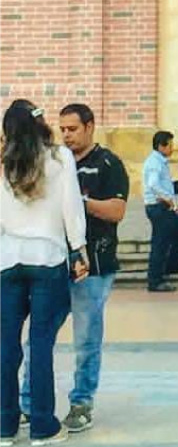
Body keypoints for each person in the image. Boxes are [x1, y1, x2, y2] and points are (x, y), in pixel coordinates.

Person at [22, 103, 128, 434]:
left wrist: (76, 202)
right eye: (63, 129)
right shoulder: (51, 162)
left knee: (86, 339)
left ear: (90, 127)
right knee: (38, 337)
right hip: (53, 264)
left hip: (94, 264)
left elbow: (117, 210)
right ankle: (28, 402)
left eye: (73, 129)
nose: (66, 135)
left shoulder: (108, 164)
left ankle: (82, 401)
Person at [1, 101, 89, 446]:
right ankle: (42, 426)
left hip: (8, 259)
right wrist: (78, 248)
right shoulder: (59, 158)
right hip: (48, 258)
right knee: (40, 344)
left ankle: (5, 425)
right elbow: (72, 207)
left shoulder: (4, 161)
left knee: (6, 345)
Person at [142, 131, 178, 292]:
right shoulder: (155, 162)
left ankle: (171, 267)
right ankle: (155, 280)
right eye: (170, 145)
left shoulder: (161, 162)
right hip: (158, 207)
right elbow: (153, 184)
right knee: (160, 243)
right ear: (161, 146)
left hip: (164, 207)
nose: (172, 148)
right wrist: (168, 200)